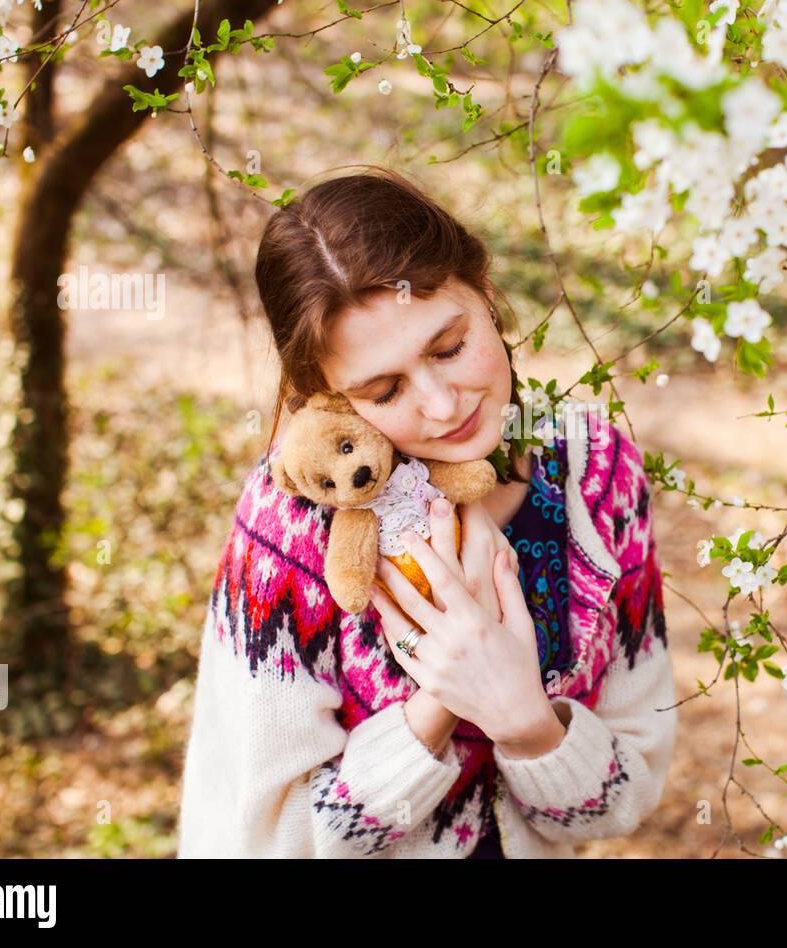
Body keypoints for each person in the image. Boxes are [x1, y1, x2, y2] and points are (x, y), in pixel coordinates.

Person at [176, 165, 676, 858]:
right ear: (326, 396)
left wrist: (528, 724)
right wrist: (438, 702)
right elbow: (264, 840)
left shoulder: (598, 472)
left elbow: (627, 794)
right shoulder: (292, 523)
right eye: (384, 390)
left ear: (486, 293)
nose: (444, 405)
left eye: (450, 347)